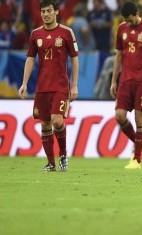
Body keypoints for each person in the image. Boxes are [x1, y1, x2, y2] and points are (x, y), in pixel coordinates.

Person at [17, 0, 79, 172]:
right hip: (42, 87)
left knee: (57, 120)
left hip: (60, 85)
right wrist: (24, 83)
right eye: (43, 11)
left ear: (56, 12)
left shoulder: (67, 33)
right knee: (45, 125)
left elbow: (74, 59)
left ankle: (64, 155)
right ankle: (51, 164)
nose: (45, 14)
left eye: (49, 11)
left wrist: (74, 85)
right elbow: (30, 58)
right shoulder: (35, 34)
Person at [110, 1, 142, 169]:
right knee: (119, 115)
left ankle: (136, 159)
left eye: (130, 19)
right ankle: (138, 141)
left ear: (137, 14)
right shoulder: (122, 29)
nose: (128, 22)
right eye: (126, 20)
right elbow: (118, 56)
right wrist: (113, 81)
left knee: (139, 119)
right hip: (125, 80)